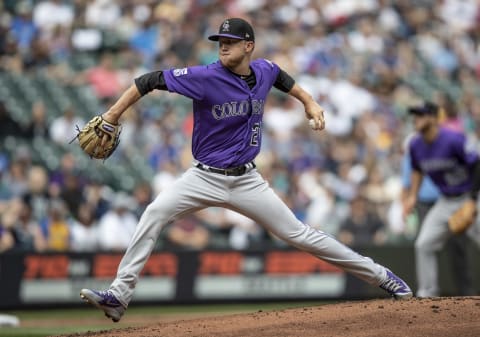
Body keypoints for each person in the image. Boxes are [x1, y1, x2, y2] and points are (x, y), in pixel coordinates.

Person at [79, 17, 412, 322]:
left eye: (230, 40)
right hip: (203, 177)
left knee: (300, 235)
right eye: (220, 41)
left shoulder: (264, 71)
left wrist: (309, 101)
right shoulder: (205, 76)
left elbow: (283, 78)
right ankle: (119, 296)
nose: (223, 45)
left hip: (248, 180)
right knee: (154, 213)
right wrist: (111, 116)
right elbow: (147, 80)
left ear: (248, 45)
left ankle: (383, 277)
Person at [402, 101, 480, 297]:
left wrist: (472, 200)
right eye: (415, 115)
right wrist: (412, 196)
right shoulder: (415, 145)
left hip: (471, 195)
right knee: (424, 244)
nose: (416, 119)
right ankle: (427, 294)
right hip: (445, 201)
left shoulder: (454, 139)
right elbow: (417, 169)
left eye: (421, 114)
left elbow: (478, 165)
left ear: (434, 118)